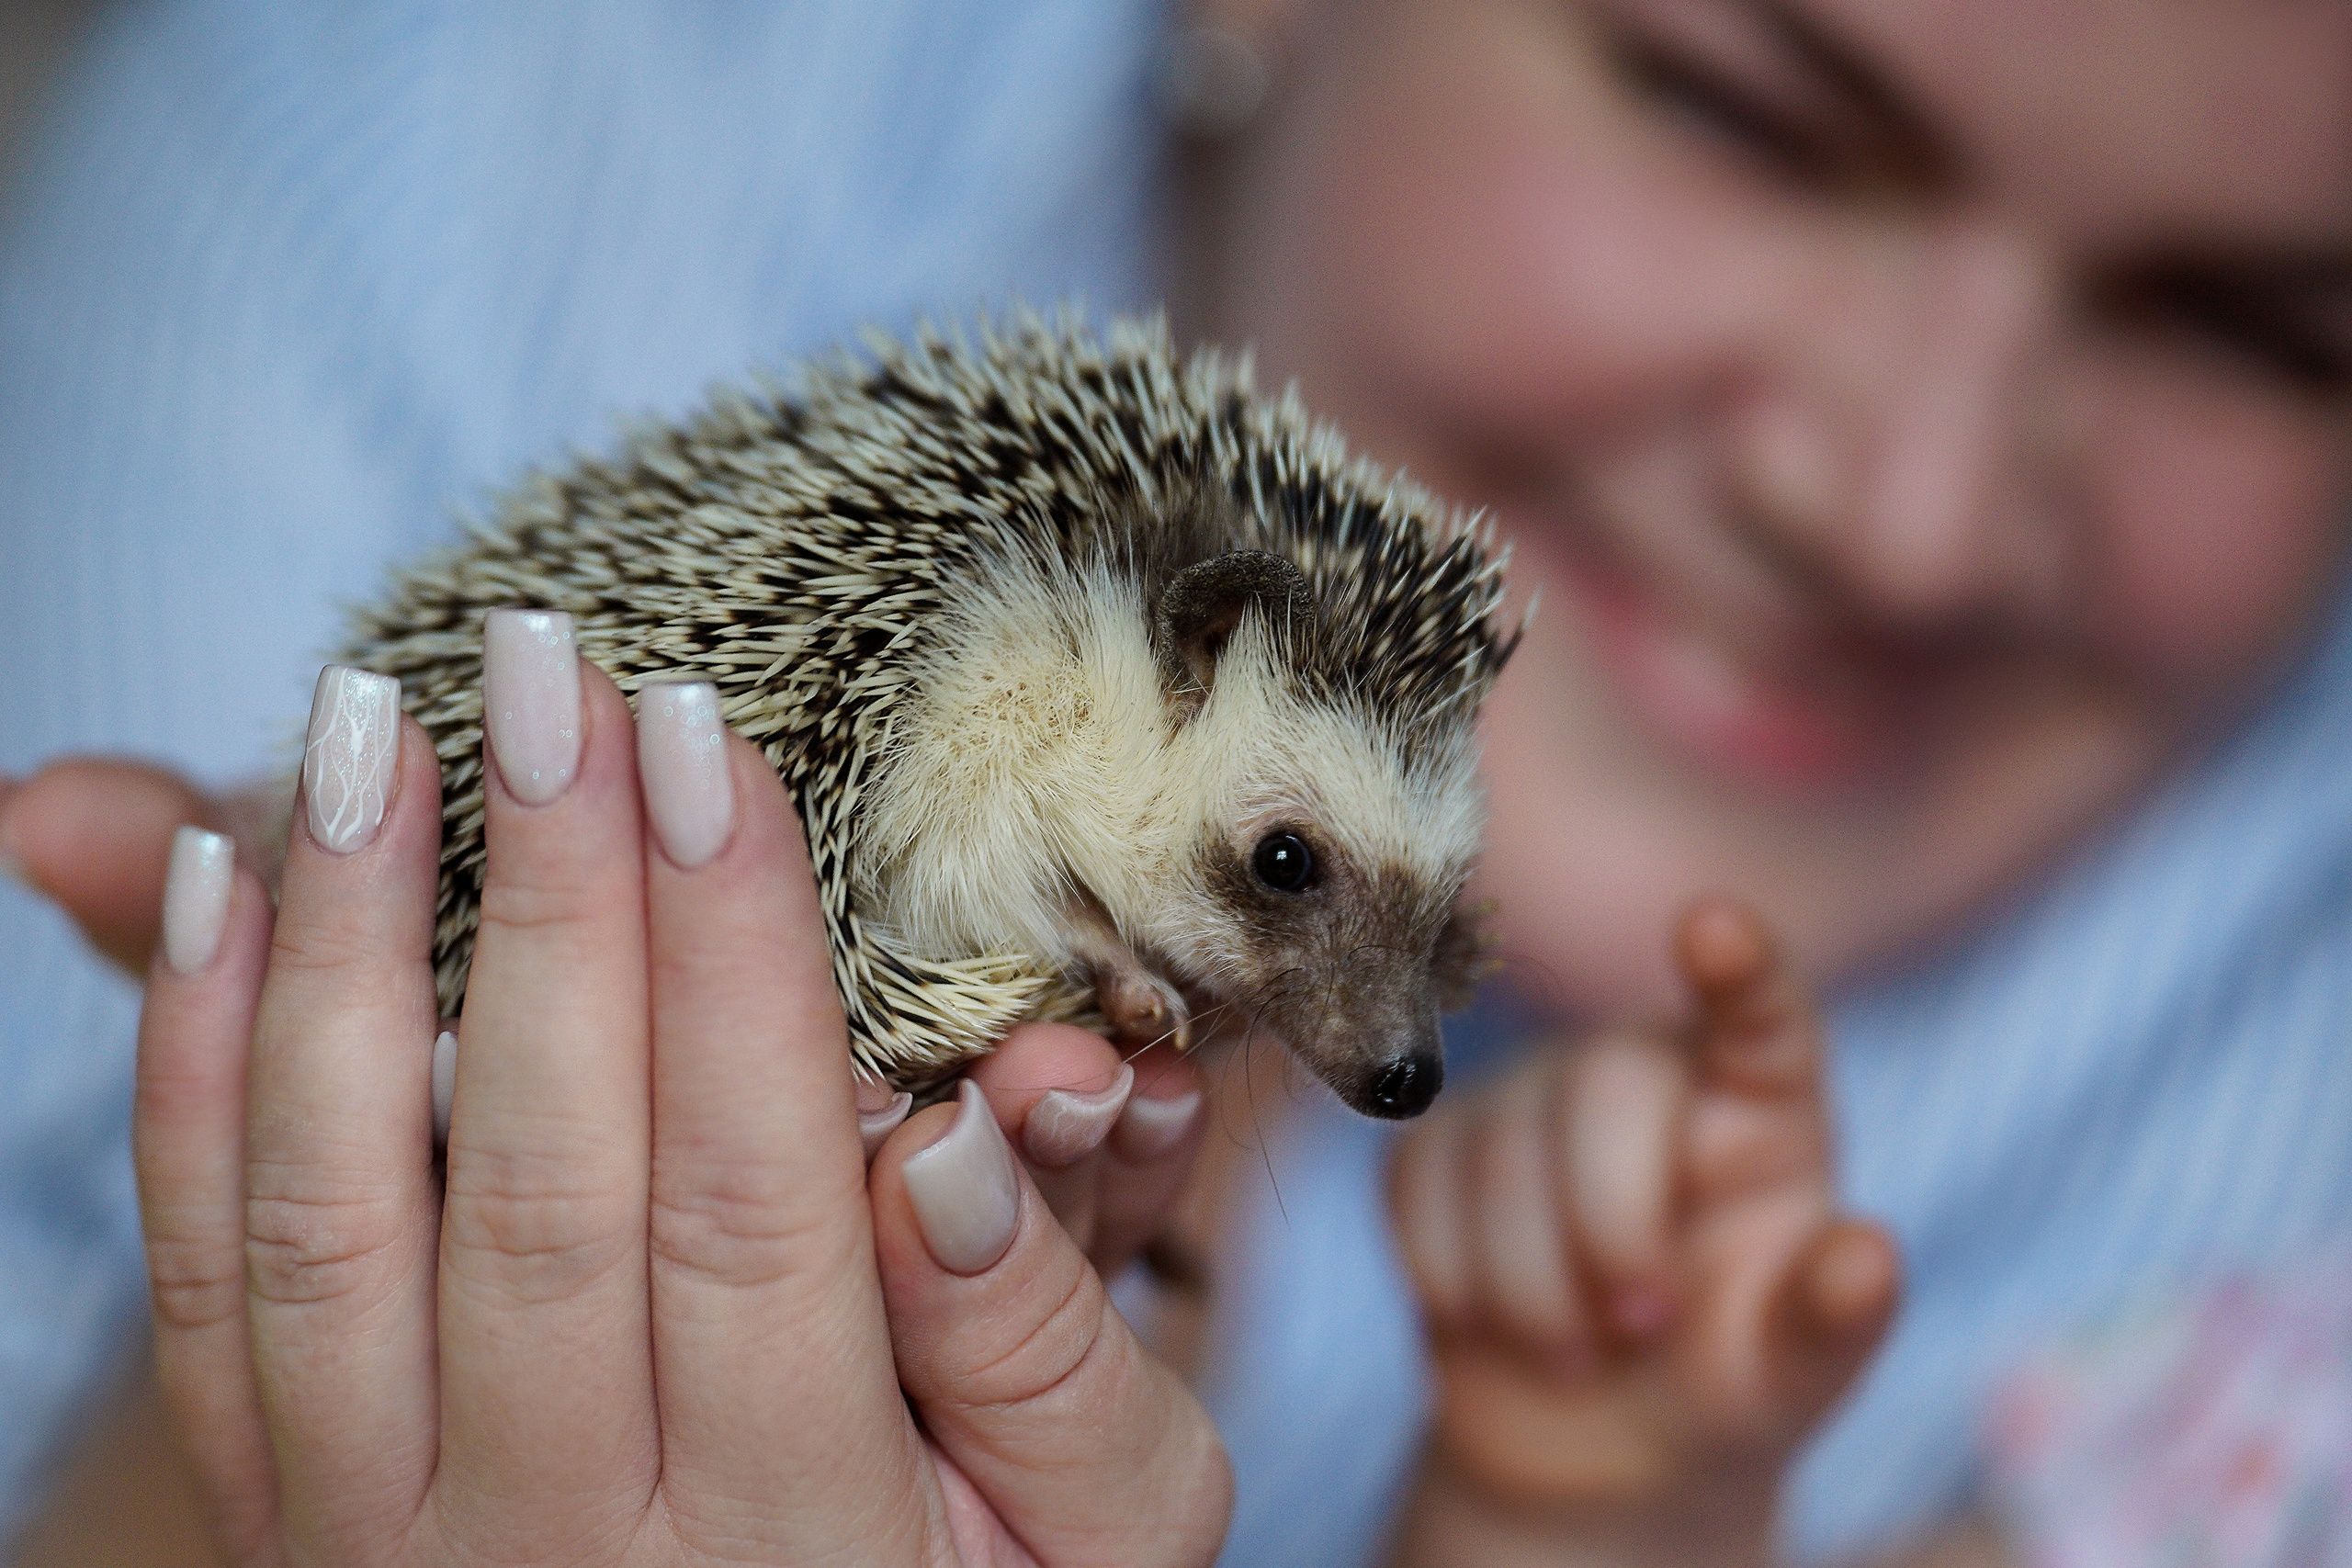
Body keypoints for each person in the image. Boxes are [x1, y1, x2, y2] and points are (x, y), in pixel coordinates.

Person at [1, 0, 2346, 1562]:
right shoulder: (456, 147)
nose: (1901, 509)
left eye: (2252, 322)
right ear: (1098, 663)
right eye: (1736, 108)